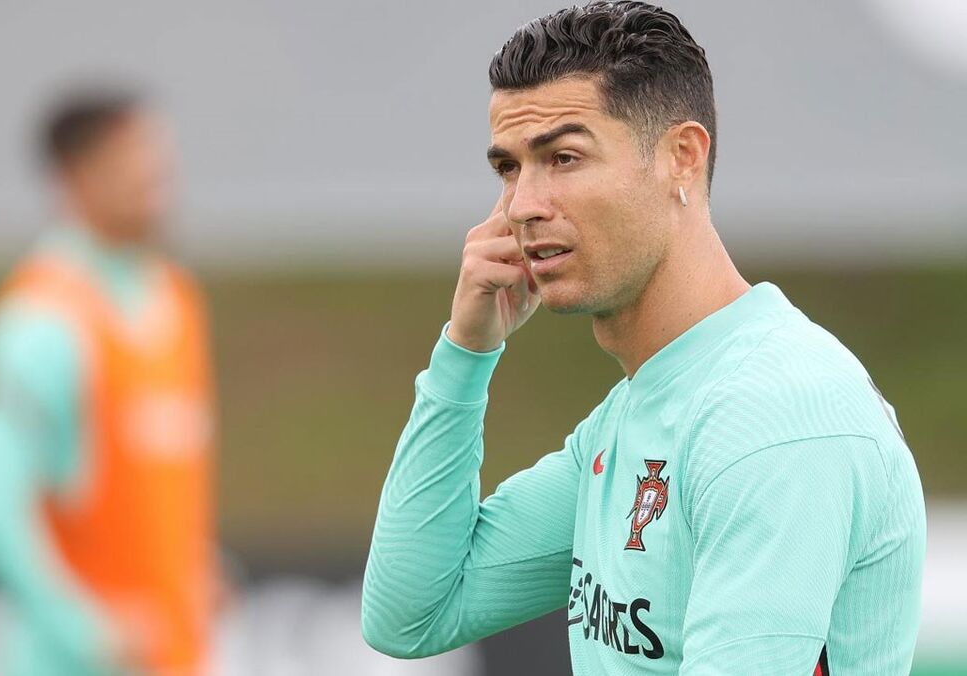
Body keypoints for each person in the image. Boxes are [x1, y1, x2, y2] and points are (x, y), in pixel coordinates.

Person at [361, 3, 924, 673]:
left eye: (563, 158)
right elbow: (412, 612)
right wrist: (466, 351)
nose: (522, 207)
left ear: (681, 158)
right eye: (509, 168)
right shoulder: (645, 405)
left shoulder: (776, 416)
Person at [0, 87, 217, 676]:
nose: (156, 174)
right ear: (76, 177)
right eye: (133, 158)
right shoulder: (43, 321)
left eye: (158, 155)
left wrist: (198, 568)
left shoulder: (173, 298)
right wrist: (80, 627)